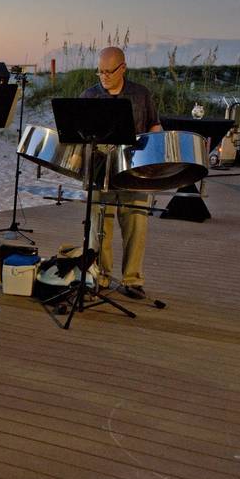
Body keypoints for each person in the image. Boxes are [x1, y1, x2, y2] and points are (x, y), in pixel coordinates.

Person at [80, 46, 161, 299]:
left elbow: (154, 125)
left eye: (109, 71)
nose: (103, 76)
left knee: (136, 222)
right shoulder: (89, 96)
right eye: (100, 72)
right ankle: (100, 275)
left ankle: (132, 279)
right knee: (99, 225)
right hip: (100, 167)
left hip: (134, 167)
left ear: (123, 68)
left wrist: (156, 149)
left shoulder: (140, 94)